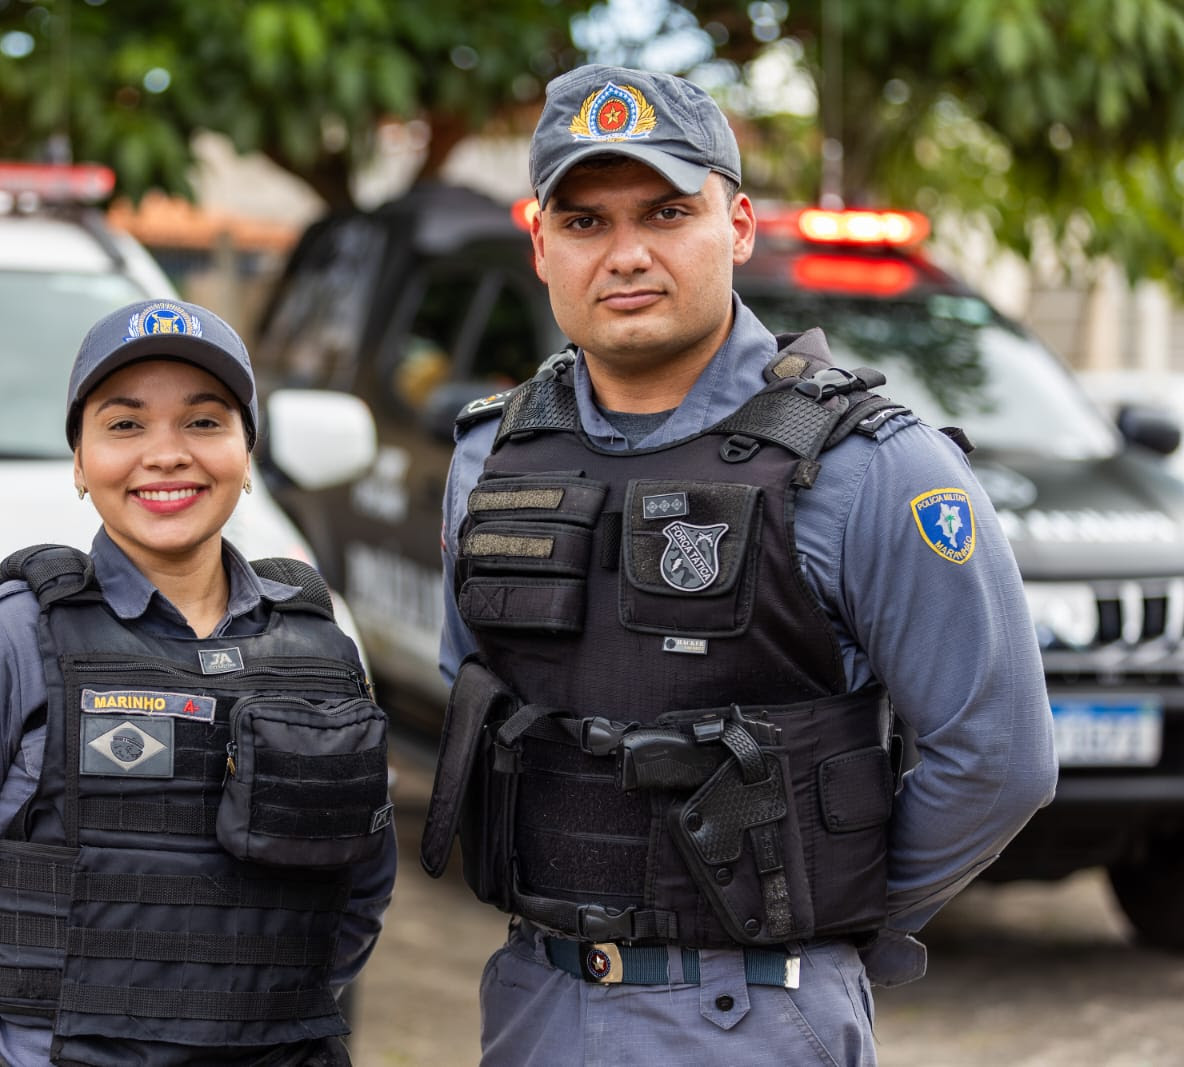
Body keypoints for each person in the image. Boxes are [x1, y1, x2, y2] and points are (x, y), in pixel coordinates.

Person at [420, 65, 1057, 1065]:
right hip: (536, 1003)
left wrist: (820, 906)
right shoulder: (486, 458)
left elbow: (998, 757)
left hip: (754, 1015)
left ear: (741, 224)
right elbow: (482, 701)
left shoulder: (869, 465)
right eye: (584, 222)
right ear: (540, 245)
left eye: (667, 211)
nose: (625, 253)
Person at [0, 298, 397, 1067]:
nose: (166, 453)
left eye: (205, 422)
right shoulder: (1, 644)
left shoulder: (321, 649)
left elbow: (361, 894)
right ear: (80, 461)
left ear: (247, 452)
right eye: (125, 424)